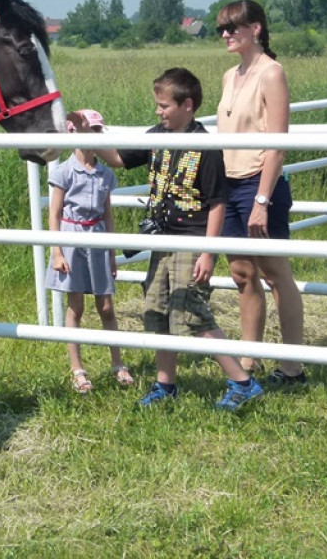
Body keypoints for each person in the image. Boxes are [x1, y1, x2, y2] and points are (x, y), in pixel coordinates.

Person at [94, 68, 263, 411]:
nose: (158, 112)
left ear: (187, 105)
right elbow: (118, 159)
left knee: (192, 312)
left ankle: (243, 383)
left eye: (164, 106)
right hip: (163, 238)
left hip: (192, 237)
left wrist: (208, 252)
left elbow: (218, 203)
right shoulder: (157, 135)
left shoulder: (206, 147)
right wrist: (88, 134)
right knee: (156, 310)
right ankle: (165, 385)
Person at [215, 0, 306, 388]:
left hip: (259, 182)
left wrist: (262, 201)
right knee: (241, 273)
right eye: (222, 28)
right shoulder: (227, 76)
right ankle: (248, 360)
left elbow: (277, 142)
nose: (226, 34)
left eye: (234, 27)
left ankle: (293, 366)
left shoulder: (272, 73)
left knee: (275, 273)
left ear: (256, 29)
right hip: (228, 181)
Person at [45, 109, 133, 393]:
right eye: (88, 130)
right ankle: (77, 369)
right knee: (76, 305)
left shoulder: (105, 174)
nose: (94, 136)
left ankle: (117, 363)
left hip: (97, 237)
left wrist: (111, 252)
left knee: (106, 305)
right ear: (73, 133)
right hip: (71, 238)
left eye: (98, 131)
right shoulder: (64, 172)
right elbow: (55, 214)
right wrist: (57, 252)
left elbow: (108, 215)